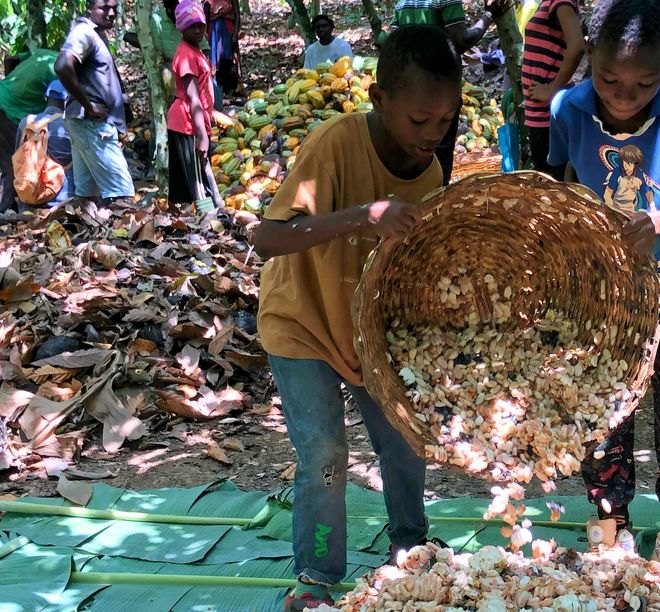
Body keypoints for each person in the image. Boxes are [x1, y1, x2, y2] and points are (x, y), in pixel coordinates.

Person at [251, 25, 461, 611]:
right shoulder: (333, 145)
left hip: (367, 331)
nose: (431, 135)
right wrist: (362, 216)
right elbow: (266, 238)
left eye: (444, 122)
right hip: (301, 322)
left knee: (404, 438)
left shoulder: (429, 173)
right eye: (419, 121)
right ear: (379, 98)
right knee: (324, 455)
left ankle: (411, 552)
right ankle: (317, 577)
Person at [549, 0, 660, 585]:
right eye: (608, 79)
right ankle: (610, 531)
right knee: (606, 408)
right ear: (590, 61)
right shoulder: (567, 109)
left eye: (643, 84)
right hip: (603, 293)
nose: (624, 96)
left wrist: (657, 221)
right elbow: (561, 188)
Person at [393, 0, 510, 185]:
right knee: (439, 149)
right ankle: (437, 198)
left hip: (411, 88)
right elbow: (460, 40)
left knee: (416, 147)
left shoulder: (403, 3)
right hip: (440, 88)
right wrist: (488, 16)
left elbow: (395, 40)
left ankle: (417, 194)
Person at [55, 0, 136, 207]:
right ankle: (126, 237)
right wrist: (89, 105)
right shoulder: (84, 32)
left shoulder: (97, 35)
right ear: (89, 9)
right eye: (104, 8)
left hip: (86, 125)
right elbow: (63, 66)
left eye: (114, 9)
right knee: (122, 195)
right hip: (92, 125)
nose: (111, 13)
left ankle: (87, 239)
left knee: (88, 197)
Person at [167, 1, 223, 210]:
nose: (199, 30)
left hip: (187, 121)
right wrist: (202, 136)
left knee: (183, 178)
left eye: (201, 24)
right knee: (199, 180)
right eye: (193, 26)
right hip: (187, 122)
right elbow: (193, 98)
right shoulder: (186, 55)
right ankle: (211, 220)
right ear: (182, 28)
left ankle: (177, 220)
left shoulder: (194, 50)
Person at [522, 0, 585, 179]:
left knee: (552, 185)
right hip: (540, 113)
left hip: (546, 115)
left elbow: (577, 46)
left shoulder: (560, 2)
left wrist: (551, 90)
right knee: (551, 181)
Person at [0, 49, 58, 213]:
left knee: (6, 161)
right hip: (11, 110)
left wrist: (11, 83)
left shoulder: (43, 54)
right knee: (18, 162)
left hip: (2, 94)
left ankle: (8, 205)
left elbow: (11, 58)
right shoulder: (61, 71)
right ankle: (9, 208)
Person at [15, 80, 74, 208]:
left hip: (28, 200)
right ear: (67, 101)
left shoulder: (26, 122)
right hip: (62, 203)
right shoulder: (70, 126)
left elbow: (18, 157)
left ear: (45, 98)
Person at [205, 0, 241, 109]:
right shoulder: (208, 2)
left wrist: (235, 36)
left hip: (228, 32)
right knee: (215, 65)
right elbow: (205, 20)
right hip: (213, 35)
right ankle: (218, 94)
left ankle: (230, 91)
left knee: (229, 62)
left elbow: (237, 16)